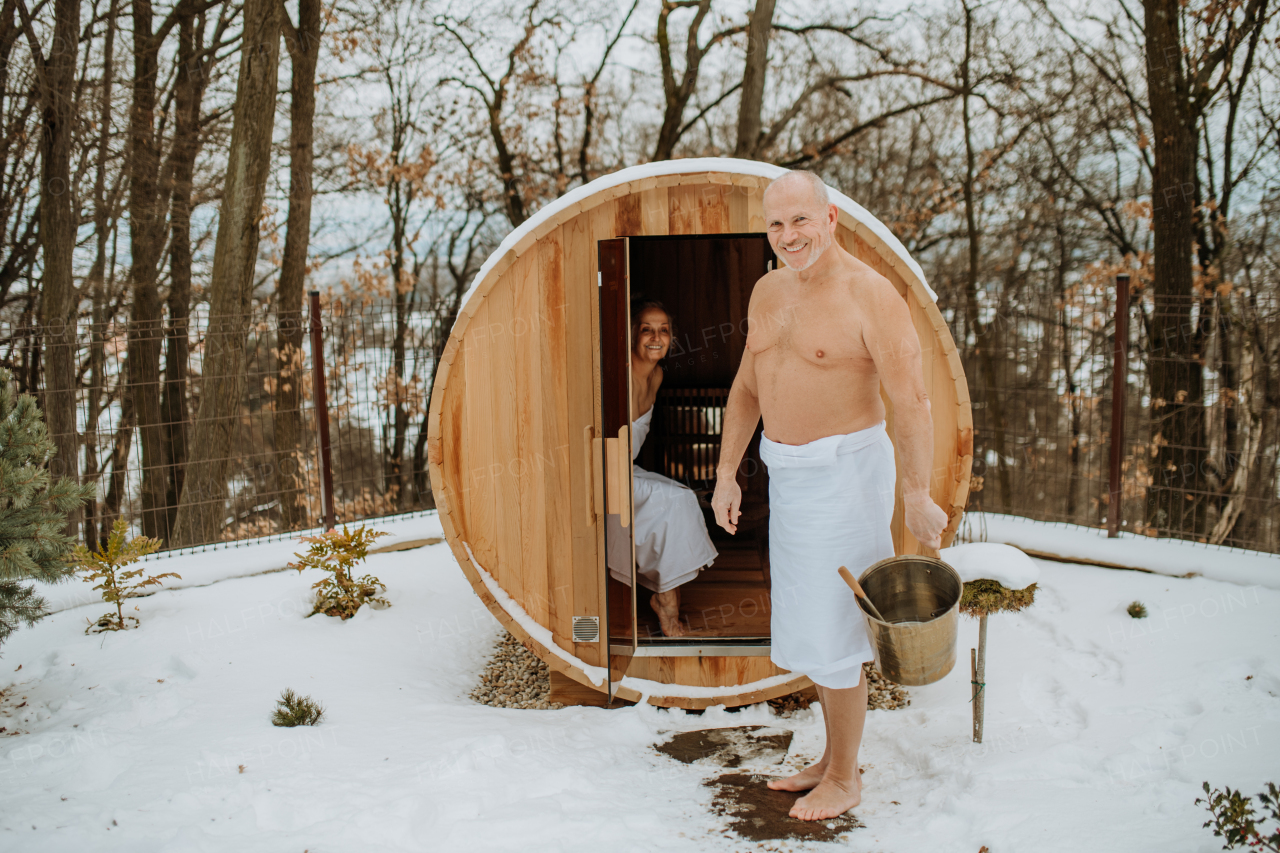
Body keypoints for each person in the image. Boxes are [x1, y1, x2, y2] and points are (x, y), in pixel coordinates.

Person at [711, 170, 948, 821]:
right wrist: (727, 471)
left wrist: (917, 492)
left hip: (847, 478)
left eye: (801, 221)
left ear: (831, 218)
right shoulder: (767, 291)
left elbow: (913, 401)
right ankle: (829, 756)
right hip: (787, 477)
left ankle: (844, 775)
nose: (789, 236)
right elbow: (748, 388)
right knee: (808, 620)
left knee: (839, 626)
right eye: (777, 225)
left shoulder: (872, 296)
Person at [606, 299, 719, 637]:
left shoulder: (656, 375)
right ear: (631, 334)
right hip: (601, 474)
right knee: (676, 502)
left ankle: (666, 597)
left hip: (626, 469)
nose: (656, 337)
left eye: (663, 330)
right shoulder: (616, 374)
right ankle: (667, 605)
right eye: (646, 329)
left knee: (681, 497)